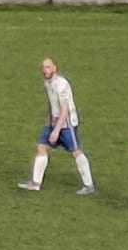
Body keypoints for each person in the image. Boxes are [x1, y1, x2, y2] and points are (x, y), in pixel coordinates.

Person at [17, 57, 95, 195]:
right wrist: (49, 120)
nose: (44, 70)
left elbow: (64, 109)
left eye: (47, 67)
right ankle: (35, 184)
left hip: (67, 124)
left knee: (75, 151)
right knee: (41, 147)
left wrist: (56, 131)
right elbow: (51, 103)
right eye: (43, 67)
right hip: (54, 122)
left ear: (54, 68)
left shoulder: (61, 85)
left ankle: (88, 185)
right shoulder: (47, 83)